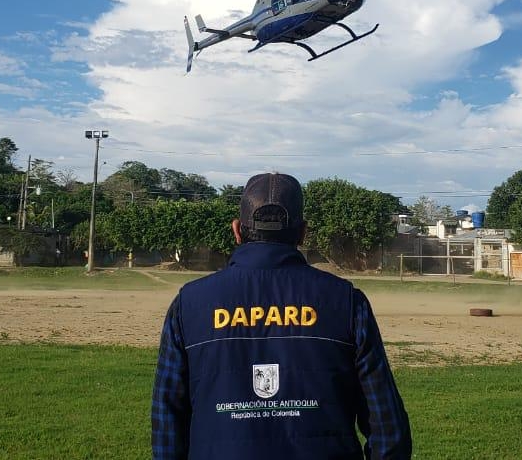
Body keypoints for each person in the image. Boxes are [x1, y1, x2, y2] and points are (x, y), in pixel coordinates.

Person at [152, 173, 412, 460]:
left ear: (237, 230)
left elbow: (167, 424)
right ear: (303, 233)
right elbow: (388, 429)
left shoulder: (189, 304)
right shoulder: (347, 301)